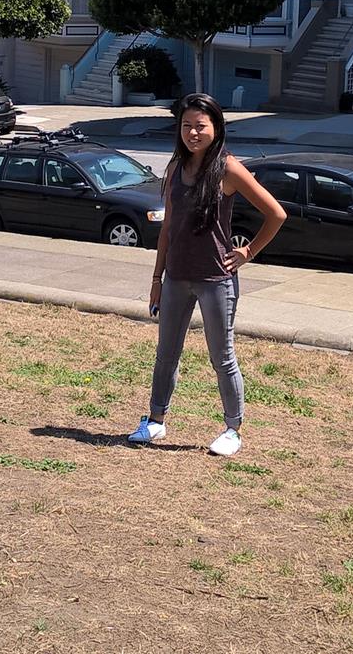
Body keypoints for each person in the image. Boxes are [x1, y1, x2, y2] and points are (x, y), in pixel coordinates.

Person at [129, 92, 286, 456]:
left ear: (215, 127)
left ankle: (233, 429)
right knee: (166, 352)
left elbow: (276, 214)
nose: (193, 133)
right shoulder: (174, 169)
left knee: (222, 356)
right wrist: (156, 280)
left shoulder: (229, 168)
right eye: (186, 126)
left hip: (216, 279)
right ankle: (155, 421)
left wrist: (247, 252)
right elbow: (168, 228)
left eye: (200, 126)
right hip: (176, 278)